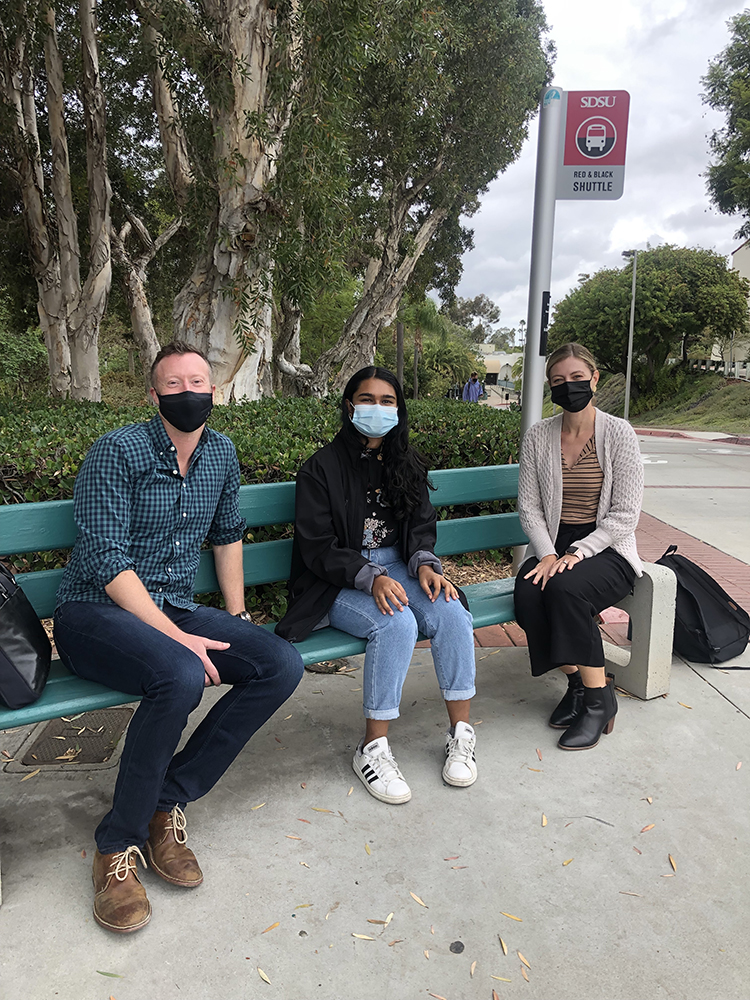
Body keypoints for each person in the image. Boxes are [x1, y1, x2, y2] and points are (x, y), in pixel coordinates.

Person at [53, 341, 304, 934]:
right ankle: (116, 847)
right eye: (174, 385)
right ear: (154, 395)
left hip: (173, 606)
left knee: (279, 664)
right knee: (180, 674)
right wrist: (177, 638)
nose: (188, 392)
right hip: (94, 613)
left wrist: (238, 615)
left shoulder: (221, 452)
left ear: (215, 391)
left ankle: (166, 800)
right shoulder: (117, 451)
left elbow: (227, 534)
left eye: (198, 382)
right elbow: (106, 558)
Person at [276, 366, 477, 804]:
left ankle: (461, 733)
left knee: (450, 611)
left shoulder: (405, 460)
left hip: (401, 568)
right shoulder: (320, 468)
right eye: (366, 399)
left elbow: (421, 524)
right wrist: (371, 577)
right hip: (337, 580)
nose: (377, 408)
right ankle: (372, 747)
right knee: (396, 624)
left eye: (387, 401)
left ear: (399, 409)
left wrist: (425, 563)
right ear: (349, 406)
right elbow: (317, 546)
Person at [513, 342, 643, 751]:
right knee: (529, 593)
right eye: (558, 381)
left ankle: (599, 701)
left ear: (594, 378)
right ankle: (576, 686)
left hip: (607, 547)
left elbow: (625, 514)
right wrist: (549, 553)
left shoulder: (618, 433)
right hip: (556, 544)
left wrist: (578, 553)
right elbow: (529, 506)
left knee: (567, 590)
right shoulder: (538, 436)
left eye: (576, 378)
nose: (568, 387)